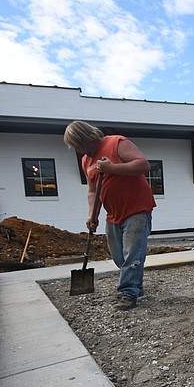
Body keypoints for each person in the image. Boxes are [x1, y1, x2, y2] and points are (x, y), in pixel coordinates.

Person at [64, 121, 156, 310]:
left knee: (132, 254)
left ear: (86, 137)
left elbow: (143, 165)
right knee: (118, 256)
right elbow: (92, 191)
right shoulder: (86, 161)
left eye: (79, 146)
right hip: (113, 214)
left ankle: (128, 292)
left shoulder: (117, 143)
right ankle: (134, 283)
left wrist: (112, 168)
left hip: (137, 209)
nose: (79, 151)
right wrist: (92, 214)